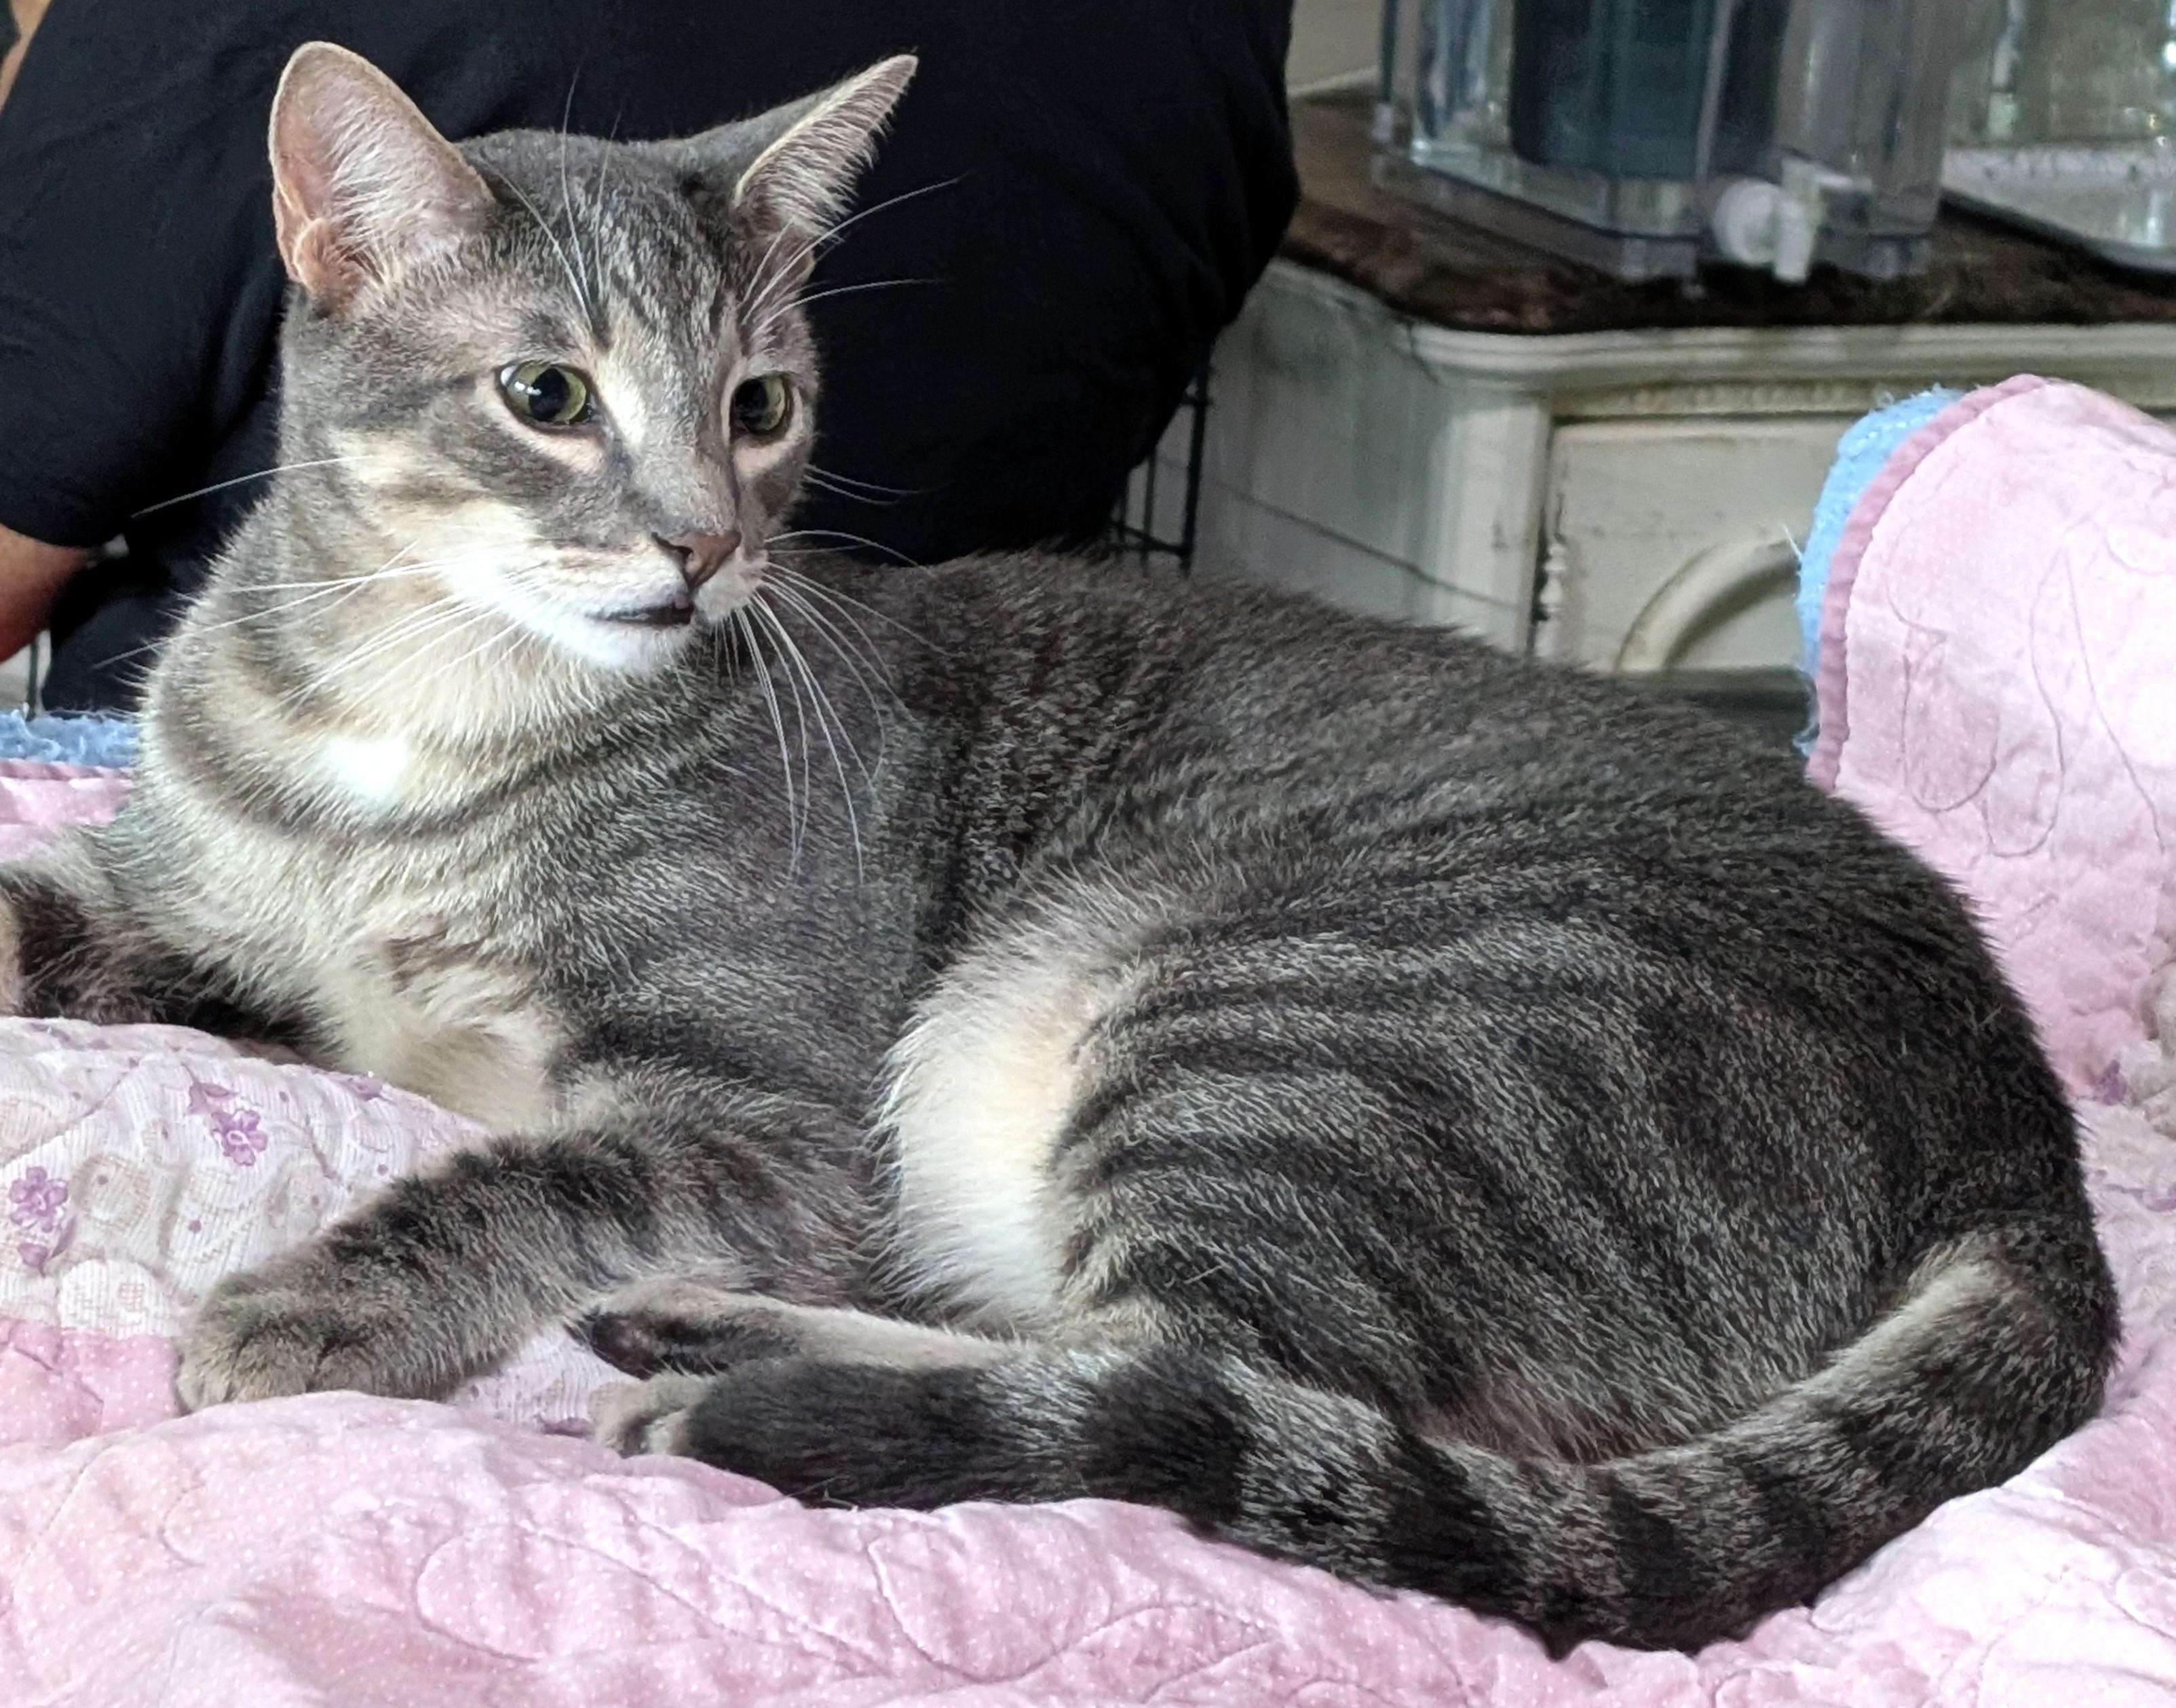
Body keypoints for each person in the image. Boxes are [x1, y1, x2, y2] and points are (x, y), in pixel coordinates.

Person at [0, 0, 1296, 708]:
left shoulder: (174, 31)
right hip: (919, 733)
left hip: (364, 900)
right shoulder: (1223, 31)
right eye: (551, 394)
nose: (698, 523)